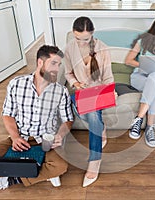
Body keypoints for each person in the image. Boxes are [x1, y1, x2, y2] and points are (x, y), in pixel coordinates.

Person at [0, 45, 74, 196]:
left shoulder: (60, 91)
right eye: (53, 63)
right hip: (20, 136)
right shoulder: (16, 84)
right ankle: (40, 173)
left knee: (60, 166)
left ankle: (5, 180)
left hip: (46, 140)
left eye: (59, 65)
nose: (57, 69)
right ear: (40, 62)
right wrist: (15, 137)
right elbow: (8, 114)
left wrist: (60, 135)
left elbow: (68, 120)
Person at [64, 16, 114, 187]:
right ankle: (102, 128)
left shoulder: (103, 48)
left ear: (92, 34)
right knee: (70, 104)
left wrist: (110, 91)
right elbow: (68, 73)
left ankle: (95, 162)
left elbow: (107, 76)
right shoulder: (69, 48)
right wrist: (75, 83)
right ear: (73, 33)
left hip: (98, 92)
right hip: (80, 92)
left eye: (86, 39)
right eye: (78, 39)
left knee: (93, 115)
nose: (82, 43)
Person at [125, 15, 155, 148]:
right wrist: (144, 66)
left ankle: (139, 119)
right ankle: (150, 128)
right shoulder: (143, 42)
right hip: (139, 78)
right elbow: (128, 60)